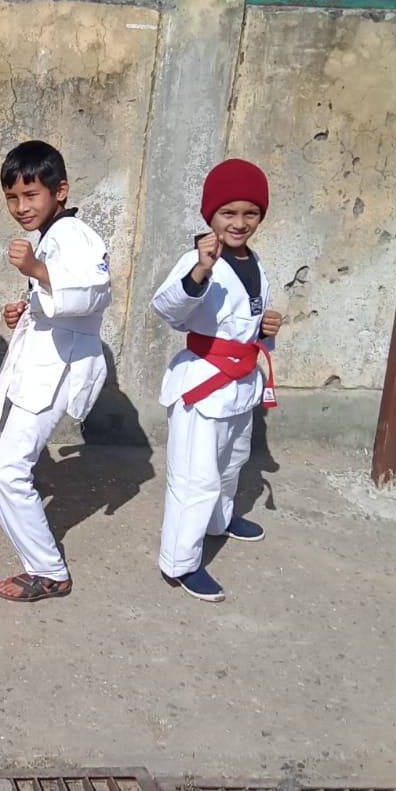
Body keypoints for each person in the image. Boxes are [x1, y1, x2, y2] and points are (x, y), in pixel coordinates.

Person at [0, 141, 112, 602]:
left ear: (60, 191)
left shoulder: (75, 234)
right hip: (40, 356)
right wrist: (28, 308)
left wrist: (37, 269)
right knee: (0, 438)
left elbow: (96, 290)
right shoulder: (53, 233)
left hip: (59, 366)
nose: (21, 207)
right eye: (12, 198)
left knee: (10, 471)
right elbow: (58, 298)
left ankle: (48, 570)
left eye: (31, 195)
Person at [153, 158, 281, 602]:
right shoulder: (198, 259)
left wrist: (267, 330)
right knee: (195, 477)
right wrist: (200, 272)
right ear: (210, 214)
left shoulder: (255, 262)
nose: (239, 223)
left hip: (241, 381)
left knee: (231, 463)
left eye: (251, 213)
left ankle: (219, 521)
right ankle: (180, 562)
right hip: (203, 383)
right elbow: (167, 309)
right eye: (228, 212)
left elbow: (244, 324)